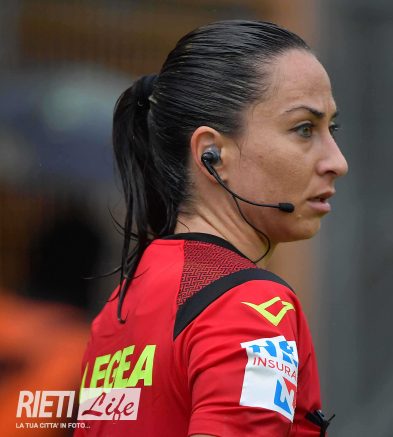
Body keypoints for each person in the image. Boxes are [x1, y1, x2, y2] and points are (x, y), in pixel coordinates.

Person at [75, 20, 348, 437]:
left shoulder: (122, 303)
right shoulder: (252, 306)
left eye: (332, 129)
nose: (337, 162)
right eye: (304, 129)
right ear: (212, 155)